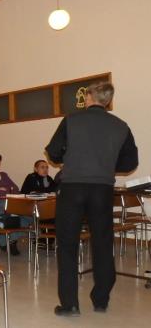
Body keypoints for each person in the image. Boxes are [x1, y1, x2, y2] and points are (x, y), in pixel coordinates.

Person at [46, 81, 138, 317]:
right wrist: (105, 165)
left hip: (73, 187)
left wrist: (71, 157)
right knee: (103, 243)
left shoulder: (72, 120)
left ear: (89, 98)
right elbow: (130, 163)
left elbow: (53, 152)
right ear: (107, 101)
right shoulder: (121, 126)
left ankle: (70, 304)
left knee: (67, 244)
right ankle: (101, 300)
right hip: (103, 189)